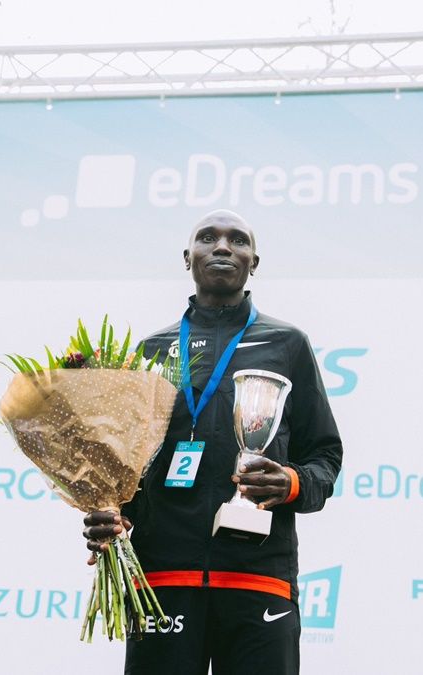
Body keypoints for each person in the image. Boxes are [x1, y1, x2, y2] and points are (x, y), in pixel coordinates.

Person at [82, 210, 342, 675]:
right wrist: (114, 512)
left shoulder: (287, 344)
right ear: (188, 257)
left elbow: (324, 455)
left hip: (260, 579)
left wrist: (292, 482)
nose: (223, 247)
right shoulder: (151, 352)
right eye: (208, 238)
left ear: (254, 262)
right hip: (163, 577)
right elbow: (131, 468)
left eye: (237, 240)